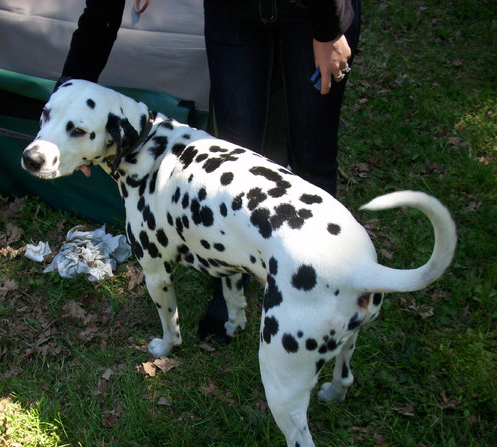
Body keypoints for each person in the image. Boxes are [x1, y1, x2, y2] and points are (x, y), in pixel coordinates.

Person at [56, 0, 361, 343]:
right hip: (232, 11)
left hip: (312, 12)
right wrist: (64, 110)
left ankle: (324, 285)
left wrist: (328, 30)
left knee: (313, 158)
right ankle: (231, 289)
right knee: (232, 152)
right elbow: (101, 17)